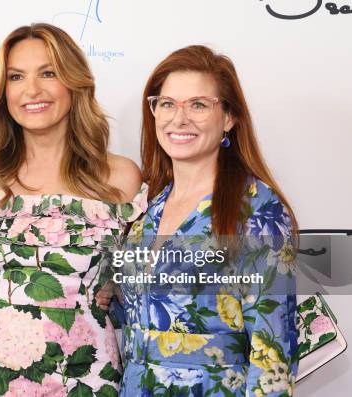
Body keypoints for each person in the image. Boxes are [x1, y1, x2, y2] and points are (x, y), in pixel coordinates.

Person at [0, 23, 145, 396]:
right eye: (16, 76)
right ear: (3, 92)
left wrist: (118, 284)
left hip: (86, 378)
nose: (31, 90)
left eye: (48, 73)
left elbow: (157, 278)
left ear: (73, 82)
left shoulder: (119, 178)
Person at [98, 45, 298, 397]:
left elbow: (274, 354)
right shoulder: (147, 210)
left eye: (198, 104)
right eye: (167, 103)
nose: (180, 118)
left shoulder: (256, 210)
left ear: (229, 117)